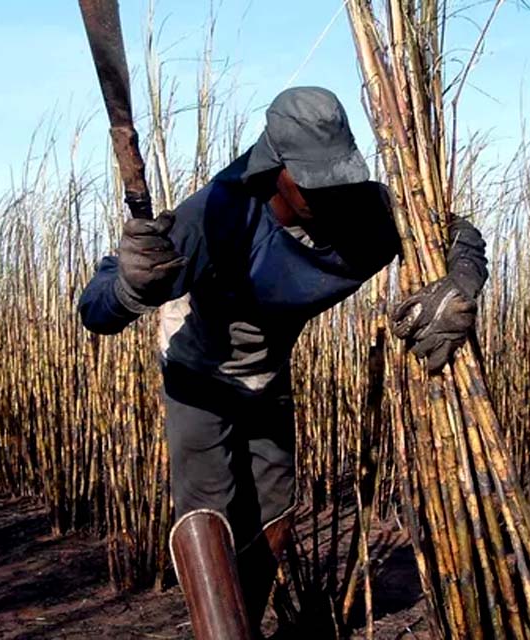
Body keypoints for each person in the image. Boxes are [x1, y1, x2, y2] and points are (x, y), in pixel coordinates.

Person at [78, 86, 488, 638]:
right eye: (314, 183)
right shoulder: (217, 215)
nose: (332, 197)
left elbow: (455, 232)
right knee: (209, 512)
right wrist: (131, 284)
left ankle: (238, 624)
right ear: (275, 171)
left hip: (268, 369)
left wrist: (460, 284)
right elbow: (96, 308)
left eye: (340, 179)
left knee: (274, 510)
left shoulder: (368, 211)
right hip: (198, 369)